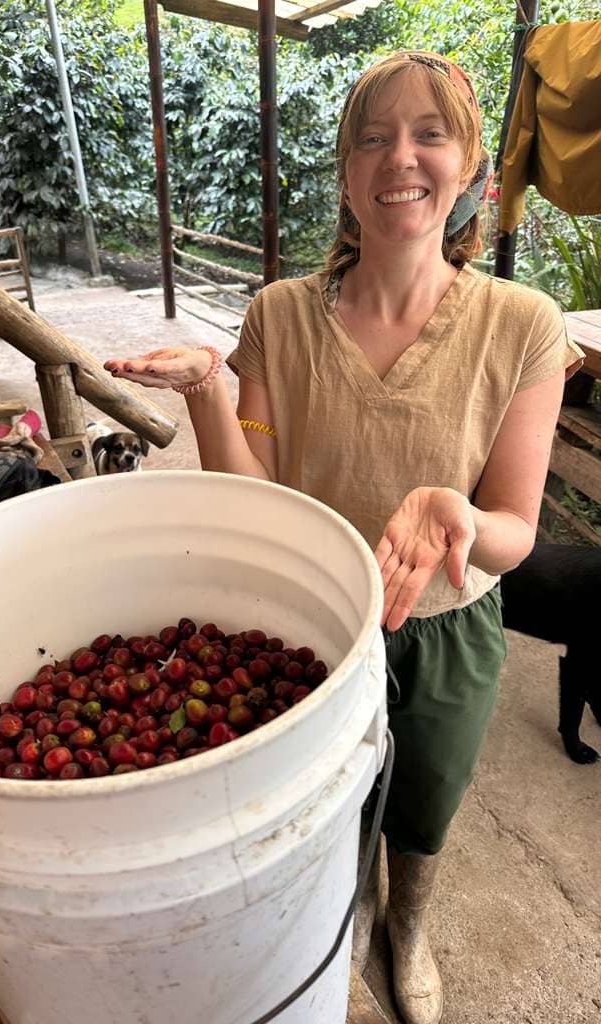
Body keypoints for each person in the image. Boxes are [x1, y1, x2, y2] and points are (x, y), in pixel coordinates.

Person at [105, 51, 584, 1024]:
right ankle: (354, 905)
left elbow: (514, 531)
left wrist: (461, 516)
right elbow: (255, 496)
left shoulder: (523, 325)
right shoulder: (279, 318)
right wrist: (206, 391)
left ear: (471, 165)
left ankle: (410, 924)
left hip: (449, 625)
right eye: (372, 138)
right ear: (345, 174)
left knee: (428, 795)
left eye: (428, 134)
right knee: (331, 800)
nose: (398, 157)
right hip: (315, 625)